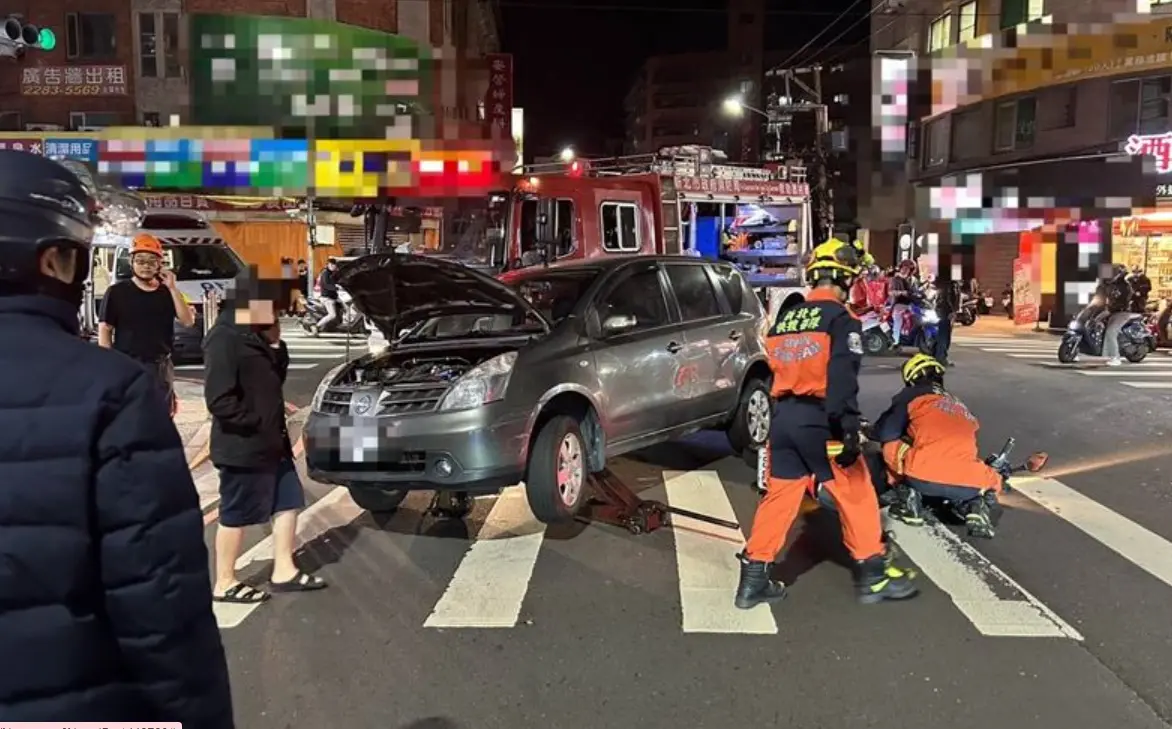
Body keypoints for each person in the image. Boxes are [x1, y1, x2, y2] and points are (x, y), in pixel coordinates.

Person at [0, 151, 233, 724]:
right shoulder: (107, 391)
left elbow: (183, 322)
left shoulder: (149, 314)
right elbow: (160, 603)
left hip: (150, 369)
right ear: (54, 260)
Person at [736, 238, 919, 610]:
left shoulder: (786, 319)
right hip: (820, 420)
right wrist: (848, 429)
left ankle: (753, 580)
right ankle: (874, 575)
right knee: (856, 491)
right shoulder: (841, 320)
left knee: (780, 498)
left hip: (783, 418)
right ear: (843, 279)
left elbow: (773, 370)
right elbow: (840, 382)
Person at [205, 269, 329, 603]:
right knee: (235, 511)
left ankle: (284, 570)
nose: (276, 312)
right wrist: (255, 425)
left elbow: (275, 377)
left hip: (272, 443)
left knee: (288, 501)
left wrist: (276, 343)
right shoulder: (225, 337)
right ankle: (225, 581)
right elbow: (219, 399)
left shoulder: (255, 333)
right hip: (243, 445)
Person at [873, 354, 1004, 538]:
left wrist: (870, 431)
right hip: (971, 483)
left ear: (911, 379)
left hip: (922, 477)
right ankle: (975, 506)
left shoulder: (912, 396)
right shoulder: (959, 404)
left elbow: (886, 432)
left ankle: (907, 494)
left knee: (890, 446)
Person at [97, 233, 195, 416]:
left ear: (160, 264)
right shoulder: (117, 292)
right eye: (140, 261)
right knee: (130, 415)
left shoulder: (167, 292)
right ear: (132, 262)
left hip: (161, 365)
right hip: (128, 364)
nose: (146, 266)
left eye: (152, 261)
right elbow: (105, 328)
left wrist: (173, 288)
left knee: (162, 416)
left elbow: (187, 321)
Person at [1099, 264, 1134, 366]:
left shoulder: (1125, 286)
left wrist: (1112, 307)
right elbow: (1100, 294)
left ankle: (1116, 357)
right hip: (1110, 311)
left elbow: (1125, 300)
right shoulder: (1108, 284)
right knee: (1094, 324)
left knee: (1111, 332)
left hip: (1122, 312)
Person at [887, 259, 917, 349]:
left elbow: (917, 290)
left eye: (908, 268)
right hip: (899, 304)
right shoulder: (896, 279)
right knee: (898, 320)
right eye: (904, 268)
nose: (905, 270)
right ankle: (895, 341)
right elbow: (891, 292)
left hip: (912, 304)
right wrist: (901, 292)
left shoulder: (914, 280)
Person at [933, 272, 962, 366]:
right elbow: (949, 298)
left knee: (942, 334)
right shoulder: (950, 284)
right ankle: (941, 357)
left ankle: (939, 356)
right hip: (946, 311)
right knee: (944, 335)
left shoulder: (942, 282)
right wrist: (953, 311)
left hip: (941, 310)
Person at [315, 256, 341, 333]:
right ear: (328, 265)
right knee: (332, 315)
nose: (333, 266)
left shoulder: (332, 273)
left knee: (346, 307)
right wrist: (336, 288)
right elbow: (326, 285)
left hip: (333, 297)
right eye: (331, 265)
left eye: (334, 265)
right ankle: (317, 326)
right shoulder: (325, 273)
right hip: (327, 298)